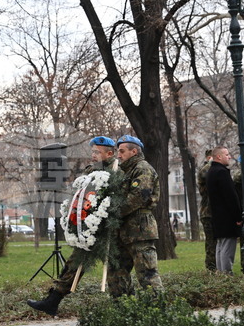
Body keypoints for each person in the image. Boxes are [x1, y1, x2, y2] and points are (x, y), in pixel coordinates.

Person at [28, 136, 118, 315]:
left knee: (117, 268)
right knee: (74, 263)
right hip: (90, 228)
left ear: (109, 153)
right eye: (92, 152)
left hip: (111, 229)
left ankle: (125, 305)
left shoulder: (116, 171)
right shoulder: (91, 171)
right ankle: (52, 301)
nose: (93, 155)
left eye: (97, 152)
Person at [109, 135, 163, 295]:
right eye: (118, 151)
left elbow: (138, 197)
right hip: (124, 232)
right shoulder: (124, 172)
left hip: (140, 231)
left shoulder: (142, 169)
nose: (118, 155)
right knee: (116, 274)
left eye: (122, 151)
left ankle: (159, 312)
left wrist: (112, 212)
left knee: (147, 274)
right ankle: (125, 309)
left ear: (134, 151)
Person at [205, 146, 241, 273]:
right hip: (227, 217)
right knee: (227, 247)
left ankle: (221, 273)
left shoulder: (211, 171)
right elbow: (230, 196)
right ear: (219, 156)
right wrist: (238, 216)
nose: (229, 156)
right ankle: (226, 273)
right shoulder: (221, 172)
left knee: (220, 246)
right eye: (226, 154)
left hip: (218, 216)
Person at [196, 149, 216, 271]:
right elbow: (204, 173)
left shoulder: (212, 171)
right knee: (211, 243)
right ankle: (211, 267)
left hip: (214, 212)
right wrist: (211, 162)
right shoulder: (205, 170)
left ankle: (215, 266)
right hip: (207, 213)